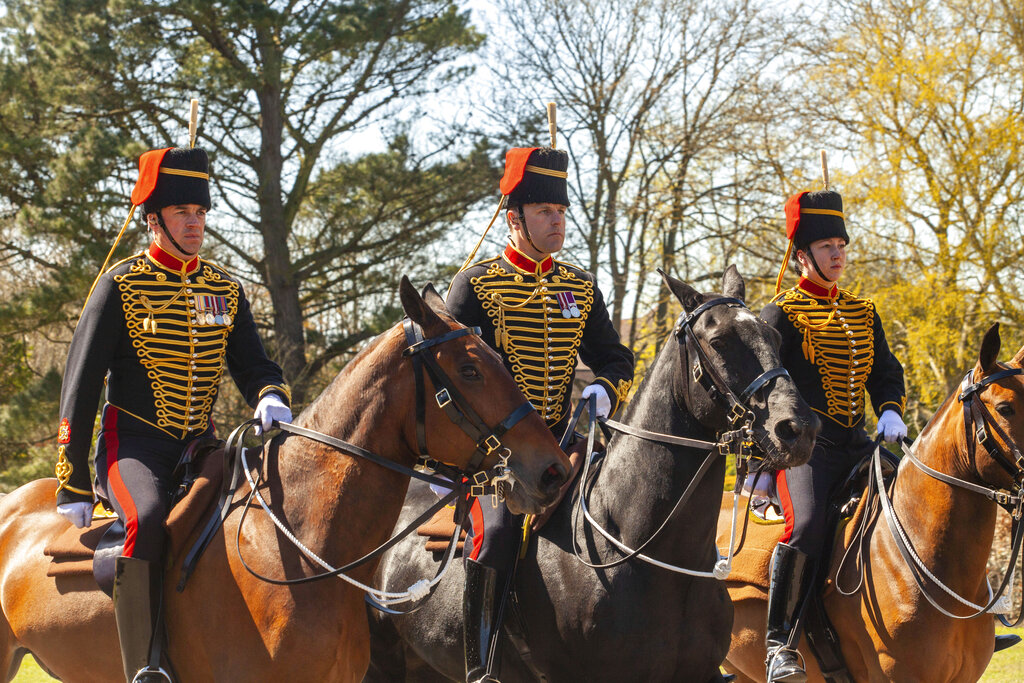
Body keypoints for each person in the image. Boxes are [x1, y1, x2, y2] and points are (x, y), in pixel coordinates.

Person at [54, 146, 292, 683]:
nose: (195, 224)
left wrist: (269, 394)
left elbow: (254, 364)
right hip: (132, 445)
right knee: (147, 519)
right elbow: (81, 385)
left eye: (201, 213)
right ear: (153, 219)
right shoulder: (121, 285)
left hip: (200, 445)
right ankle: (147, 662)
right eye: (183, 213)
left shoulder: (224, 289)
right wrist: (70, 482)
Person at [446, 146, 635, 682]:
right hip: (496, 452)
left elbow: (616, 357)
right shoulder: (478, 285)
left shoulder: (578, 285)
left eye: (562, 212)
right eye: (545, 213)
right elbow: (449, 370)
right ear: (515, 220)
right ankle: (480, 663)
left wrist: (605, 387)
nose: (558, 222)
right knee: (501, 534)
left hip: (567, 441)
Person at [760, 189, 907, 682]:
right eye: (826, 246)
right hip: (806, 453)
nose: (838, 253)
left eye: (841, 243)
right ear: (802, 255)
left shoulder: (864, 312)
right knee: (804, 528)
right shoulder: (779, 314)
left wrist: (889, 410)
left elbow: (886, 372)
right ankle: (779, 642)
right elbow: (763, 390)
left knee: (927, 500)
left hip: (859, 444)